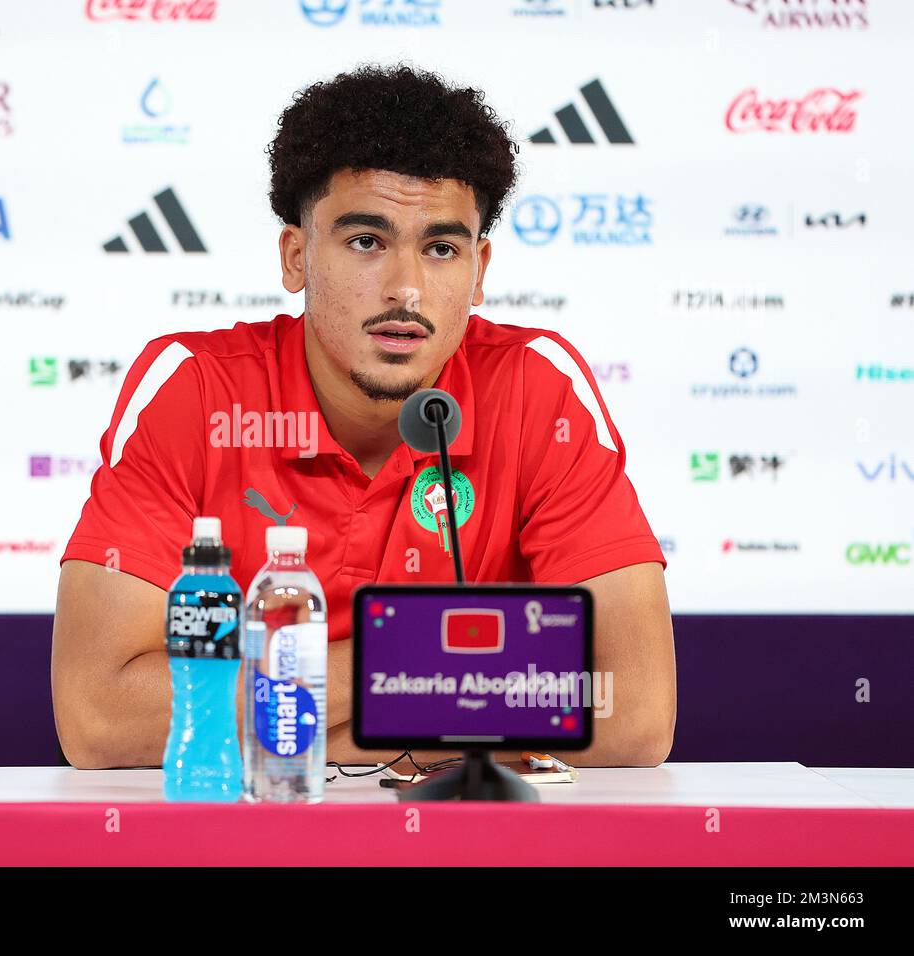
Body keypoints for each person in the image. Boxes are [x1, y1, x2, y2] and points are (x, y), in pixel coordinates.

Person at [53, 64, 675, 771]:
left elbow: (636, 712)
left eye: (441, 248)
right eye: (365, 242)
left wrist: (298, 719)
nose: (406, 290)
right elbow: (99, 717)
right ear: (296, 256)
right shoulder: (193, 392)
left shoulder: (538, 389)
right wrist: (408, 667)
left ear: (479, 270)